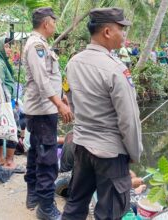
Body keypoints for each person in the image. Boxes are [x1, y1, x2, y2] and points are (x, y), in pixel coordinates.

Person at [62, 8, 143, 220]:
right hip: (110, 153)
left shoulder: (73, 63)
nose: (124, 34)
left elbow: (70, 101)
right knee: (109, 212)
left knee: (75, 204)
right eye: (121, 29)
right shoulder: (115, 69)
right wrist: (134, 153)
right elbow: (129, 120)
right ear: (107, 31)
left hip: (81, 146)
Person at [23, 7, 73, 220]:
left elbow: (50, 77)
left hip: (43, 108)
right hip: (43, 110)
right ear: (46, 23)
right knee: (47, 158)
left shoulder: (41, 44)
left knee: (36, 151)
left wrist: (61, 95)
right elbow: (42, 80)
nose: (55, 25)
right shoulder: (36, 46)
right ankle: (45, 206)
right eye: (54, 21)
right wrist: (59, 104)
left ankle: (33, 195)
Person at [0, 36, 24, 172]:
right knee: (11, 130)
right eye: (6, 46)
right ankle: (9, 161)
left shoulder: (0, 62)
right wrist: (9, 104)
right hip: (4, 103)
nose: (9, 49)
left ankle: (1, 159)